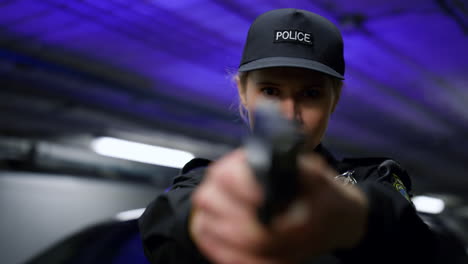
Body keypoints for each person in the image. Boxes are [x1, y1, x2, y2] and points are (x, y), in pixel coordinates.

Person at [139, 8, 441, 264]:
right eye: (270, 91)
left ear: (334, 99)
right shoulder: (204, 179)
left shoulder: (373, 178)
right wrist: (202, 221)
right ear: (243, 92)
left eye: (310, 94)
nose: (289, 114)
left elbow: (422, 245)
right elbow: (165, 224)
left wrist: (358, 216)